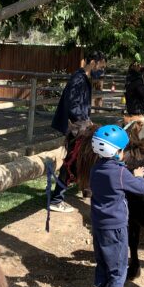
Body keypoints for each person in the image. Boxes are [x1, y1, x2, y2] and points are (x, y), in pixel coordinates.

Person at [89, 125, 144, 287]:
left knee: (102, 265)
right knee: (118, 268)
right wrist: (138, 176)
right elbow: (142, 189)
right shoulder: (121, 173)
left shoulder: (95, 168)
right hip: (115, 228)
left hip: (98, 225)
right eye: (123, 150)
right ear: (117, 152)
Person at [48, 50, 107, 213]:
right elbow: (73, 106)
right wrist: (84, 122)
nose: (102, 70)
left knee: (81, 159)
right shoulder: (78, 79)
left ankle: (85, 189)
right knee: (71, 162)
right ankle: (56, 199)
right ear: (93, 62)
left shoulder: (84, 78)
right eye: (101, 66)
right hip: (76, 128)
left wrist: (87, 120)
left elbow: (81, 106)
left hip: (81, 125)